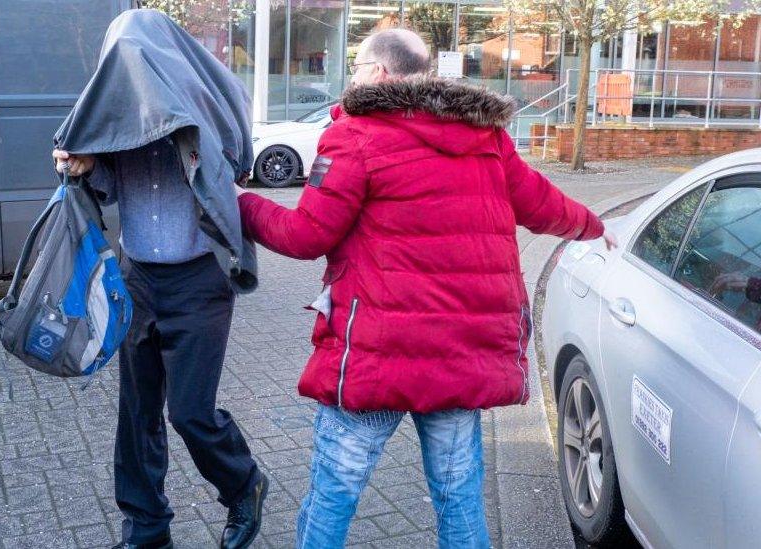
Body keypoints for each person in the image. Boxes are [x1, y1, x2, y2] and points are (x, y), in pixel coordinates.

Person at [235, 29, 617, 549]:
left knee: (335, 491)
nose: (352, 79)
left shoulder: (357, 136)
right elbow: (540, 202)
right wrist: (592, 226)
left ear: (381, 74)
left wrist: (241, 203)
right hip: (461, 355)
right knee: (459, 495)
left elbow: (306, 235)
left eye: (357, 68)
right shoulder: (486, 136)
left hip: (376, 352)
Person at [52, 10, 267, 549]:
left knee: (190, 413)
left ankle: (244, 484)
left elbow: (233, 161)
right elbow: (109, 191)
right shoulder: (113, 114)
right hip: (138, 280)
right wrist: (83, 167)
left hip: (199, 283)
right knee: (138, 413)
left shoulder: (201, 105)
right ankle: (145, 527)